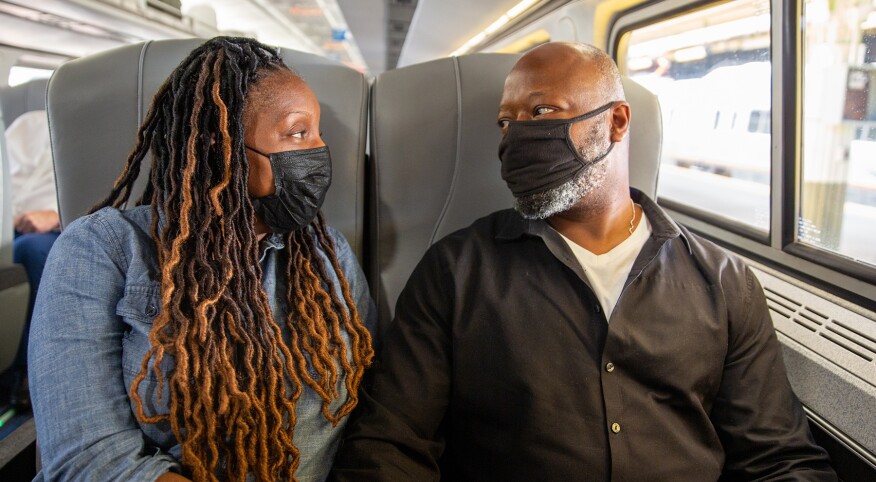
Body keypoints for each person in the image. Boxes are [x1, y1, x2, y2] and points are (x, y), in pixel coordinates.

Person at [331, 43, 837, 481]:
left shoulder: (724, 281)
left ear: (615, 122)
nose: (515, 137)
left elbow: (776, 457)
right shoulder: (456, 271)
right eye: (506, 122)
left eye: (542, 112)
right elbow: (392, 443)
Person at [29, 37, 375, 482]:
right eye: (297, 133)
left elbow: (370, 400)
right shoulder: (102, 250)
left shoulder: (325, 252)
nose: (318, 150)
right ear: (221, 146)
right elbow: (89, 458)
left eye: (317, 133)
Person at [2, 108, 60, 409]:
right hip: (7, 221)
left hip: (56, 228)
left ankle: (28, 373)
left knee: (30, 249)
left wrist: (54, 216)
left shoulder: (104, 122)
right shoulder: (26, 122)